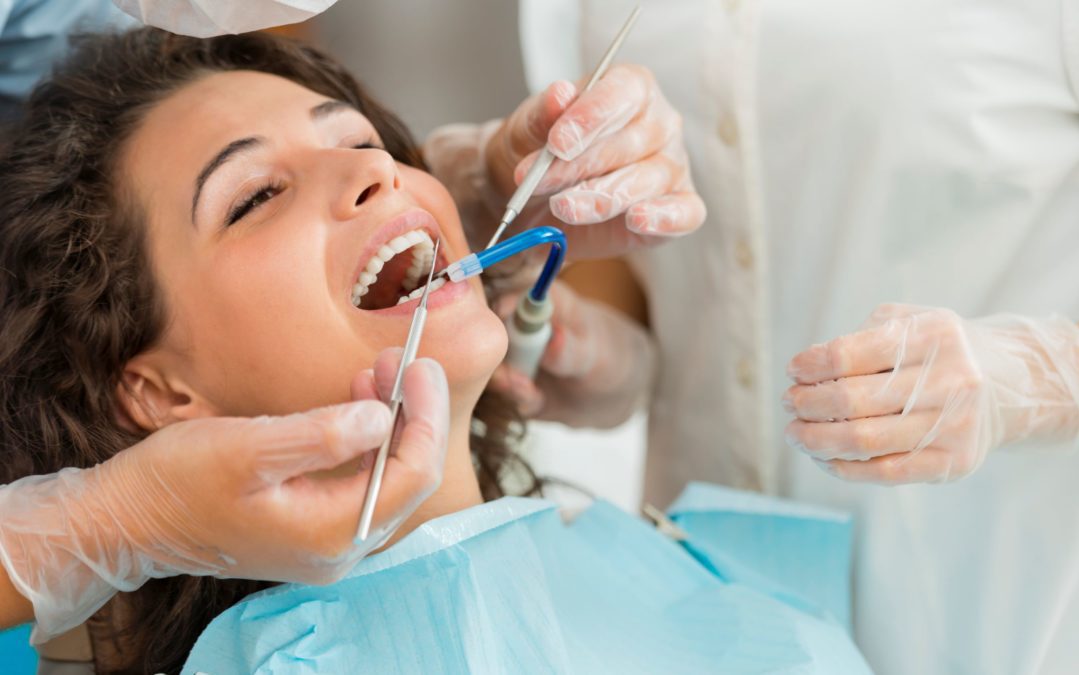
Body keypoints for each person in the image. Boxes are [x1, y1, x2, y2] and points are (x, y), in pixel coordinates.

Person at [0, 26, 869, 673]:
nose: (376, 175)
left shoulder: (666, 569)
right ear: (156, 392)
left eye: (361, 142)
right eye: (256, 195)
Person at [467, 1, 1079, 673]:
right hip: (697, 614)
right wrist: (619, 364)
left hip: (989, 605)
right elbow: (631, 265)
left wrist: (1028, 378)